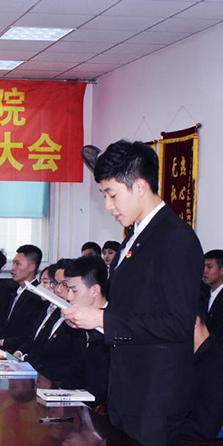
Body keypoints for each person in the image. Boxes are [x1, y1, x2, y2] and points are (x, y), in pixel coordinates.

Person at [63, 140, 204, 446]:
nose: (108, 206)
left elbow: (178, 324)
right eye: (104, 196)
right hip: (128, 392)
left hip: (155, 399)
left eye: (112, 194)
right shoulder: (136, 237)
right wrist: (95, 318)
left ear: (140, 186)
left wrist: (104, 320)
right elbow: (135, 307)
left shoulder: (175, 238)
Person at [15, 259, 85, 384]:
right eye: (55, 283)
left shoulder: (79, 319)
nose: (58, 290)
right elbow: (36, 344)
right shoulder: (55, 311)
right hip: (41, 378)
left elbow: (72, 365)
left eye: (64, 284)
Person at [61, 256, 110, 405]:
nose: (69, 297)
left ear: (95, 290)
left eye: (74, 291)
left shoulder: (115, 328)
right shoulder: (75, 323)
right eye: (68, 289)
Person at [0, 245, 49, 353]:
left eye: (18, 264)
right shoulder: (16, 291)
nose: (13, 268)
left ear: (32, 267)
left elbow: (28, 334)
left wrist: (2, 342)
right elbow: (8, 326)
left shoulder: (37, 296)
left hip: (17, 351)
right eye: (13, 263)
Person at [181, 296, 223, 442]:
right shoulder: (196, 358)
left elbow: (205, 430)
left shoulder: (216, 363)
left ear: (194, 322)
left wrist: (161, 422)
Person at [202, 249, 223, 339]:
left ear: (222, 270)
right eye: (203, 266)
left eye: (209, 267)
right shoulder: (202, 294)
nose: (204, 271)